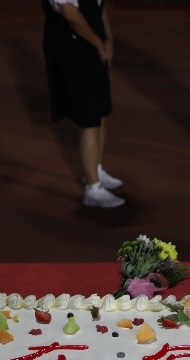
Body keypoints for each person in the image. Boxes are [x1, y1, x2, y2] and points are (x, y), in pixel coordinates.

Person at [42, 0, 124, 208]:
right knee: (89, 121)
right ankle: (92, 189)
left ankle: (96, 169)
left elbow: (100, 7)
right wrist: (99, 43)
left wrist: (108, 38)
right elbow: (71, 15)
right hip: (72, 49)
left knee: (100, 113)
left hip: (92, 46)